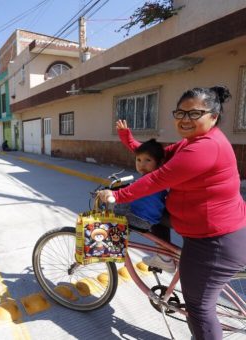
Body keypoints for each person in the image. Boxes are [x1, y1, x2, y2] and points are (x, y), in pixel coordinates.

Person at [98, 86, 246, 340]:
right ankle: (166, 256)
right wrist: (128, 139)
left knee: (199, 308)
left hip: (214, 241)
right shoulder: (191, 142)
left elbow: (158, 177)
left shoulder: (204, 147)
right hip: (208, 230)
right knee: (154, 214)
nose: (185, 119)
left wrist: (117, 195)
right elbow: (156, 156)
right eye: (180, 112)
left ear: (214, 116)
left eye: (194, 113)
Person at [114, 124, 173, 271]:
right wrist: (125, 134)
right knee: (160, 228)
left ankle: (113, 246)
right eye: (138, 160)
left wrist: (113, 194)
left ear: (159, 163)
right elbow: (137, 148)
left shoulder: (152, 179)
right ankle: (164, 256)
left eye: (148, 161)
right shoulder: (154, 176)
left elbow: (131, 192)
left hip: (142, 219)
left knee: (115, 217)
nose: (142, 165)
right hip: (153, 217)